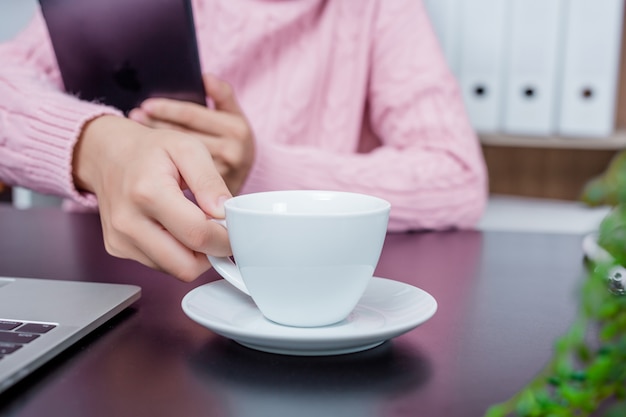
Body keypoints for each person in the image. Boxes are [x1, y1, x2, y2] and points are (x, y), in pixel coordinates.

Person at [0, 0, 488, 282]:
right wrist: (96, 146)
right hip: (116, 285)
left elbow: (456, 175)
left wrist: (259, 168)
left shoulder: (376, 8)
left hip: (296, 286)